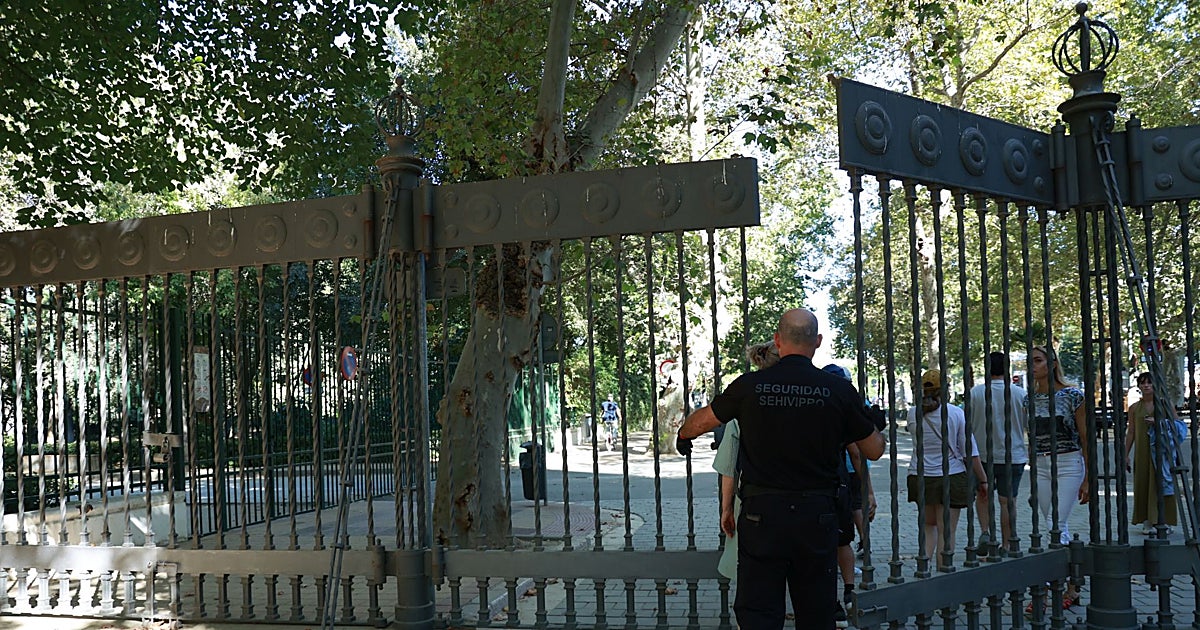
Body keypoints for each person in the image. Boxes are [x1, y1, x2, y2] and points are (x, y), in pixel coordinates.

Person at [675, 308, 885, 629]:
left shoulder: (749, 386)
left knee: (759, 613)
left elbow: (700, 421)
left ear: (777, 339)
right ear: (817, 341)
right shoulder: (838, 390)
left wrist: (683, 435)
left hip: (763, 517)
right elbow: (874, 449)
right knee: (816, 613)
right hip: (817, 516)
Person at [1025, 345, 1088, 609]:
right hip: (1041, 466)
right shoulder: (1029, 399)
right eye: (1031, 361)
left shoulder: (1073, 396)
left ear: (1051, 364)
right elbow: (1031, 439)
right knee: (1054, 527)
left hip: (1069, 463)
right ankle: (1072, 586)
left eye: (1038, 361)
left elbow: (1086, 437)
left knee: (1054, 525)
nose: (1033, 366)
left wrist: (1089, 478)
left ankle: (1052, 588)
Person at [906, 369, 987, 571]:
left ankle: (923, 570)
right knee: (946, 531)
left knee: (928, 527)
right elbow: (969, 451)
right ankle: (944, 574)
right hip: (950, 476)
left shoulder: (912, 413)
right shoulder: (955, 413)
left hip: (920, 476)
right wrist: (983, 479)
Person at [713, 340, 780, 581]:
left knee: (752, 576)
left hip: (754, 502)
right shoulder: (809, 399)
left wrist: (727, 509)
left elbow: (729, 467)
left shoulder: (744, 406)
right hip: (804, 501)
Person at [967, 352, 1028, 556]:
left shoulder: (975, 393)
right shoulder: (1020, 394)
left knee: (982, 496)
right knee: (1007, 501)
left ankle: (986, 533)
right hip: (1013, 454)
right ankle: (1007, 544)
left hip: (982, 455)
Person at [1124, 371, 1178, 534]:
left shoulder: (1164, 404)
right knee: (1143, 482)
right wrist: (1125, 454)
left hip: (1161, 450)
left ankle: (1164, 520)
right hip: (1142, 451)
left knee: (1162, 483)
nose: (1146, 385)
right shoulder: (1134, 408)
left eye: (1149, 382)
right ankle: (1147, 519)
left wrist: (1158, 422)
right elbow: (1131, 431)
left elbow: (1176, 425)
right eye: (1143, 382)